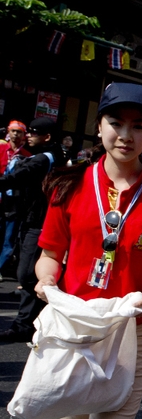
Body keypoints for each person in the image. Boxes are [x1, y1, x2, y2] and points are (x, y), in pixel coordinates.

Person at [32, 82, 142, 417]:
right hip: (75, 324)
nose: (126, 135)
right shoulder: (70, 184)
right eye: (116, 123)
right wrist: (47, 282)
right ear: (99, 126)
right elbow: (49, 255)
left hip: (132, 329)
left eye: (138, 126)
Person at [0, 118, 67, 342]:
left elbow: (14, 178)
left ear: (47, 137)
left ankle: (33, 322)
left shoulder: (43, 159)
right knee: (30, 273)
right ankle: (31, 322)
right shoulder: (53, 156)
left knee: (28, 274)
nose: (28, 135)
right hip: (35, 219)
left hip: (39, 221)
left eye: (34, 132)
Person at [0, 120, 32, 282]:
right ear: (8, 132)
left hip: (15, 201)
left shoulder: (27, 155)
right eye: (13, 131)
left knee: (9, 236)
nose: (15, 134)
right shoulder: (0, 149)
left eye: (19, 132)